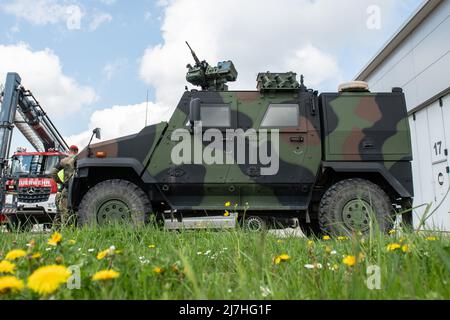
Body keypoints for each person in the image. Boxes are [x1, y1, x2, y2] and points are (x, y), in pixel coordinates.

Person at [51, 145, 78, 228]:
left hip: (66, 189)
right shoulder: (80, 159)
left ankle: (61, 232)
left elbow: (53, 172)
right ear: (76, 151)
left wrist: (62, 182)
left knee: (63, 212)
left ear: (69, 151)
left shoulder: (64, 161)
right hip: (77, 189)